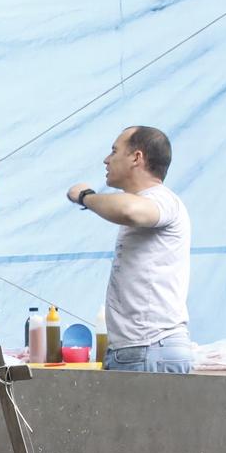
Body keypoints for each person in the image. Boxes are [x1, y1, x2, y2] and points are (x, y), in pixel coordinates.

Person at [66, 126, 194, 374]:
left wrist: (85, 196)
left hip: (148, 349)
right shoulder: (153, 201)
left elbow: (129, 211)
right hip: (141, 350)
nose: (106, 159)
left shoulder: (161, 200)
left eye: (114, 151)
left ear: (137, 157)